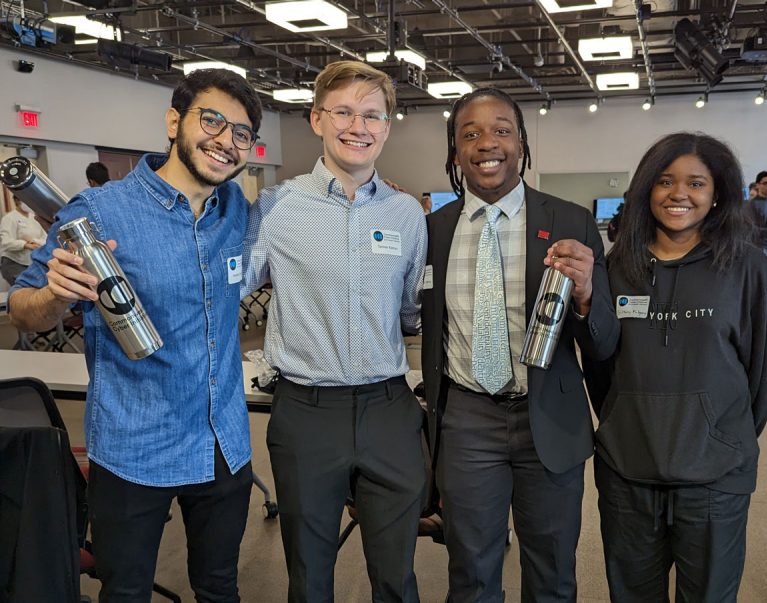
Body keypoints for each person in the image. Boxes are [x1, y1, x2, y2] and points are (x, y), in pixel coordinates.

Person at [9, 68, 262, 602]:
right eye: (211, 120)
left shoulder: (237, 210)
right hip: (133, 447)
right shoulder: (97, 212)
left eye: (242, 133)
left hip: (223, 442)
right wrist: (56, 294)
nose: (226, 141)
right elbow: (24, 310)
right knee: (125, 591)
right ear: (174, 121)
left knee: (219, 587)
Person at [420, 87, 619, 601]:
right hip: (466, 420)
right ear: (455, 152)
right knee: (469, 568)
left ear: (522, 144)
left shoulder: (570, 221)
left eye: (502, 130)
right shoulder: (430, 231)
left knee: (552, 570)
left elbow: (603, 339)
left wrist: (586, 295)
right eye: (471, 133)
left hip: (547, 416)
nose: (488, 143)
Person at [241, 60, 428, 602]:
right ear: (316, 119)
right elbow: (233, 284)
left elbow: (411, 309)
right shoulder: (276, 207)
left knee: (397, 575)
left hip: (389, 408)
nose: (357, 126)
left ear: (387, 126)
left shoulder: (405, 213)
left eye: (372, 115)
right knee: (309, 573)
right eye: (343, 111)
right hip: (307, 412)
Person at [589, 133, 767, 601]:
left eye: (696, 182)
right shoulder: (617, 267)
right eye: (664, 181)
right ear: (645, 190)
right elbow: (600, 366)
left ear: (718, 192)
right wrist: (623, 420)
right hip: (628, 471)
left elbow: (762, 372)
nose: (679, 193)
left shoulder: (750, 269)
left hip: (716, 477)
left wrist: (719, 433)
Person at [0, 195, 46, 286]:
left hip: (32, 262)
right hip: (13, 263)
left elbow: (45, 238)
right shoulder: (9, 218)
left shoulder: (35, 217)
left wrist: (34, 241)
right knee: (25, 289)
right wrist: (25, 244)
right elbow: (5, 242)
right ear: (17, 201)